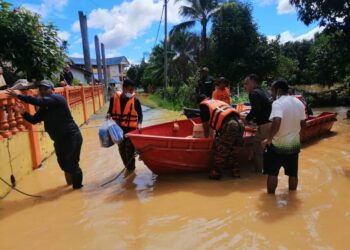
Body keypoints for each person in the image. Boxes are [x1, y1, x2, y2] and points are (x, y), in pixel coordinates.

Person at [6, 80, 83, 189]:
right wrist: (23, 112)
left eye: (45, 89)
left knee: (72, 164)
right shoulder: (45, 108)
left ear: (52, 90)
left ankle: (77, 190)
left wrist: (19, 96)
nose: (43, 91)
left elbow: (39, 101)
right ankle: (70, 186)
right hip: (59, 140)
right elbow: (33, 120)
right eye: (41, 89)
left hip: (71, 137)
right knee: (64, 164)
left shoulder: (58, 98)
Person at [262, 79, 306, 194]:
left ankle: (270, 199)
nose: (271, 92)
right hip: (294, 145)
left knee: (272, 173)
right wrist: (298, 138)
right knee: (293, 173)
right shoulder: (299, 103)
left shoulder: (278, 103)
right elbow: (303, 124)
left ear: (278, 90)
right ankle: (292, 196)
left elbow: (277, 120)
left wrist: (269, 139)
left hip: (277, 145)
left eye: (272, 90)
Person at [198, 95, 245, 179]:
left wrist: (206, 141)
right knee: (234, 149)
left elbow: (206, 128)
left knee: (221, 149)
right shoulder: (216, 102)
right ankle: (236, 173)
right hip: (240, 123)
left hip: (230, 125)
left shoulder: (203, 107)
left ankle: (216, 174)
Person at [107, 79, 143, 172]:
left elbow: (140, 114)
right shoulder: (113, 99)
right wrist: (108, 115)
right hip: (118, 130)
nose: (131, 92)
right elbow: (110, 111)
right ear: (124, 88)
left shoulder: (135, 100)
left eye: (133, 90)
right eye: (130, 90)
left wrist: (139, 124)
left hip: (131, 129)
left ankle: (131, 170)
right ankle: (128, 168)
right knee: (121, 150)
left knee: (129, 149)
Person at [243, 74, 272, 173]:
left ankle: (258, 175)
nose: (244, 86)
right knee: (266, 149)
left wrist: (246, 120)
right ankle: (268, 172)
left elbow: (256, 109)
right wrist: (254, 121)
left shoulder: (253, 93)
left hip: (264, 125)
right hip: (270, 124)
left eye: (246, 84)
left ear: (252, 83)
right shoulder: (262, 92)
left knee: (257, 151)